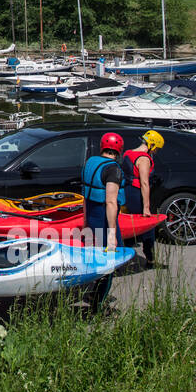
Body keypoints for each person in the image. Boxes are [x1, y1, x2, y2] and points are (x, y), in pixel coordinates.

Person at [80, 132, 125, 313]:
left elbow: (85, 196)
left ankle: (93, 293)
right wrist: (112, 233)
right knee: (110, 261)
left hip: (91, 216)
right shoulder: (113, 169)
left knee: (97, 258)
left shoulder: (90, 162)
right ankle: (97, 304)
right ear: (119, 149)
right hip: (104, 219)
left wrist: (84, 221)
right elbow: (111, 202)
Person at [122, 130, 164, 268]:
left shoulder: (128, 153)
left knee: (128, 225)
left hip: (127, 191)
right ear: (152, 145)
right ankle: (150, 259)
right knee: (147, 227)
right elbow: (144, 183)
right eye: (157, 149)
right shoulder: (144, 159)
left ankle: (124, 254)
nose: (156, 152)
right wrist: (146, 207)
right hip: (136, 193)